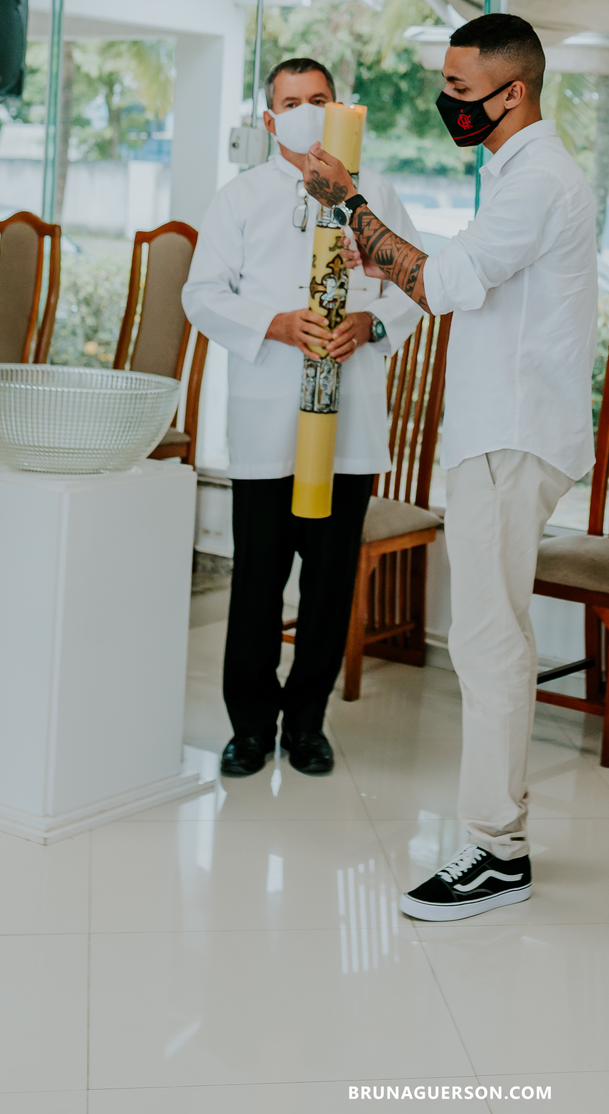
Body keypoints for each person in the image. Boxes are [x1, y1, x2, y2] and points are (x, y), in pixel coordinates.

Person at [302, 12, 597, 919]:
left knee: (488, 640)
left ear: (516, 92)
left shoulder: (539, 177)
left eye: (462, 92)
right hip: (493, 434)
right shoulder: (513, 173)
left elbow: (447, 285)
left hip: (510, 440)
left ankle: (496, 849)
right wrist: (386, 254)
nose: (447, 104)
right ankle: (494, 836)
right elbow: (453, 279)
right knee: (489, 636)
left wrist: (352, 205)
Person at [182, 57, 424, 778]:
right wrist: (275, 324)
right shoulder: (241, 197)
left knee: (328, 584)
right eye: (291, 102)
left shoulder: (375, 193)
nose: (306, 111)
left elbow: (416, 281)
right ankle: (250, 725)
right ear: (269, 119)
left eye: (319, 99)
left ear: (340, 106)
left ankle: (307, 723)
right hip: (267, 420)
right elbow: (202, 295)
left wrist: (372, 324)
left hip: (348, 423)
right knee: (258, 579)